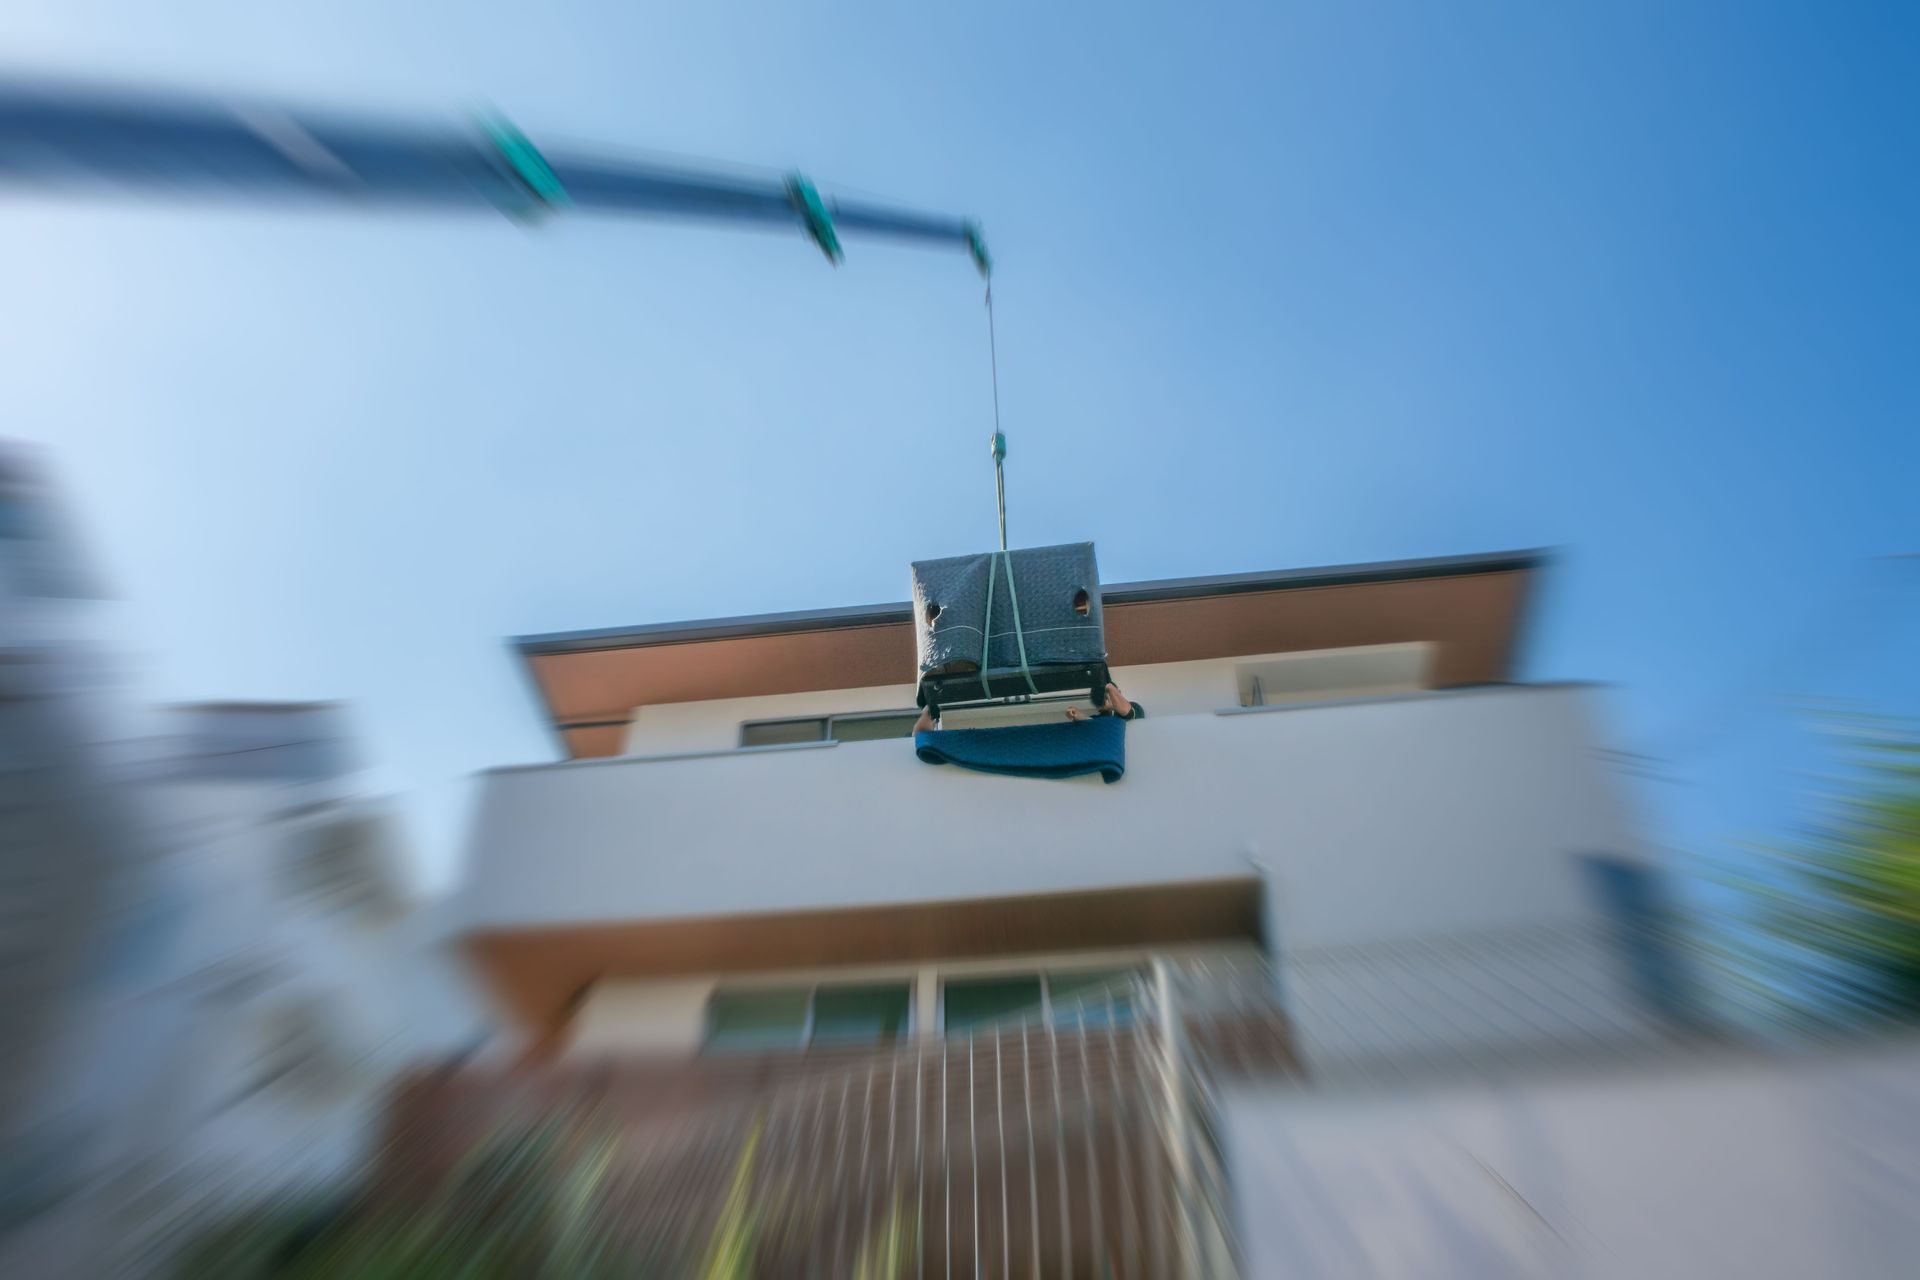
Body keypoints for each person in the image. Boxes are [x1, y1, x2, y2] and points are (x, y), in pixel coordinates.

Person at [914, 682, 1142, 733]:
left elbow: (1126, 712)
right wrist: (932, 708)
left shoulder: (1129, 713)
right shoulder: (1099, 721)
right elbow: (918, 736)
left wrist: (1109, 686)